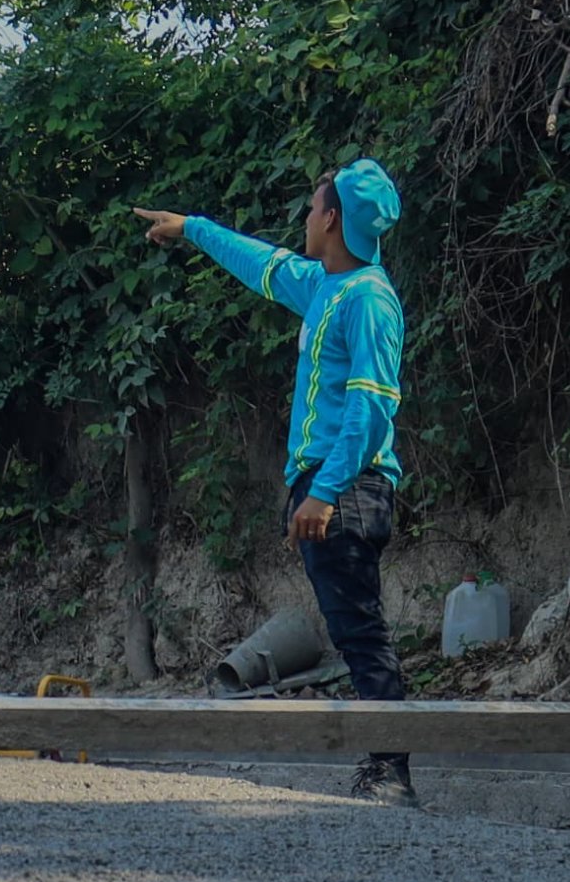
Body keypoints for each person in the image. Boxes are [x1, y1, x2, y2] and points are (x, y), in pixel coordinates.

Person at [135, 160, 416, 806]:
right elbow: (263, 264)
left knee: (361, 631)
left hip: (345, 487)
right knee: (353, 629)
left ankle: (391, 772)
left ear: (334, 217)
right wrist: (193, 229)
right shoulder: (326, 285)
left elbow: (371, 405)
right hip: (328, 486)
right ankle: (385, 764)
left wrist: (325, 492)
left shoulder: (369, 297)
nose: (305, 218)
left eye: (314, 207)